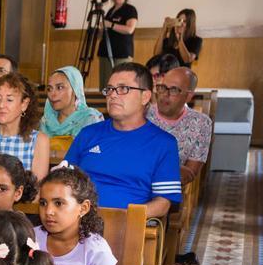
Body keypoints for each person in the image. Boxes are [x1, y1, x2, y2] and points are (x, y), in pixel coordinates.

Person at [64, 62, 181, 217]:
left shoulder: (164, 143)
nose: (113, 94)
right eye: (110, 89)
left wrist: (123, 218)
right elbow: (63, 181)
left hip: (127, 228)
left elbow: (163, 203)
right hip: (78, 222)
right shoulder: (88, 134)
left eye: (123, 89)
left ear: (145, 96)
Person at [149, 67, 212, 184]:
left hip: (168, 192)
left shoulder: (201, 123)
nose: (165, 94)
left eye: (173, 90)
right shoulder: (142, 114)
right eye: (162, 88)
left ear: (188, 96)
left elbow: (189, 174)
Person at [40, 66, 104, 158]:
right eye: (49, 89)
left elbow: (93, 154)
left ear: (75, 90)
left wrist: (54, 154)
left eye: (60, 87)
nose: (52, 94)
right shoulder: (46, 121)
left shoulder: (90, 119)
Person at [97, 0, 138, 89]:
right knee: (105, 86)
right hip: (106, 52)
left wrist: (111, 24)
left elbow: (129, 29)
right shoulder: (110, 11)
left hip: (122, 54)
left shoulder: (130, 9)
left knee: (120, 84)